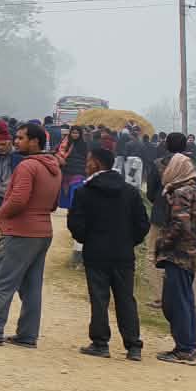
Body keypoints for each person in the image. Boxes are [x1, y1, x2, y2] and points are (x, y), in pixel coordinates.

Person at [0, 122, 62, 348]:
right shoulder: (54, 167)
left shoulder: (27, 166)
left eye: (21, 138)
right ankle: (27, 336)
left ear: (35, 142)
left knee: (1, 283)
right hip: (43, 232)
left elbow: (19, 199)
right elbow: (53, 204)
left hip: (21, 232)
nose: (16, 141)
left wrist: (0, 214)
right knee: (32, 287)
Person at [66, 142, 147, 360]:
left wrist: (86, 240)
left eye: (88, 161)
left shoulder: (84, 192)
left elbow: (75, 223)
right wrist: (129, 241)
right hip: (123, 254)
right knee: (126, 298)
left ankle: (100, 343)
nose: (85, 165)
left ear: (96, 163)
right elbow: (142, 224)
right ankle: (133, 346)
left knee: (99, 297)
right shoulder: (130, 192)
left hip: (96, 252)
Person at [153, 133, 196, 365]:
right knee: (184, 301)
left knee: (176, 303)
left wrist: (163, 243)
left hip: (178, 255)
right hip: (190, 254)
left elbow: (179, 224)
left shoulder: (181, 194)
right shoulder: (195, 190)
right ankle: (188, 347)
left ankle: (185, 349)